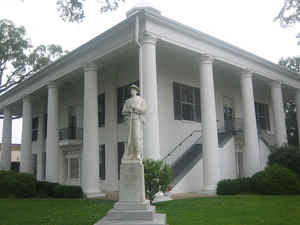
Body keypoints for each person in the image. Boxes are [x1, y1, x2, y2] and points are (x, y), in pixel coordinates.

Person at [122, 84, 147, 162]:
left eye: (133, 89)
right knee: (128, 138)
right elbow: (123, 111)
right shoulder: (127, 101)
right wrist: (128, 110)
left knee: (136, 137)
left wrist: (136, 108)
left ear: (136, 91)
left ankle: (137, 154)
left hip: (136, 119)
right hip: (129, 120)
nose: (131, 91)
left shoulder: (141, 100)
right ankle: (129, 154)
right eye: (130, 90)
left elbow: (144, 109)